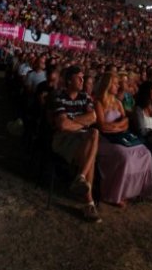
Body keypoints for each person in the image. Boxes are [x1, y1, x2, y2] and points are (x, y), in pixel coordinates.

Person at [94, 71, 152, 208]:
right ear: (107, 85)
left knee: (145, 153)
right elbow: (102, 126)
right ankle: (115, 194)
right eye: (115, 84)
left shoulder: (118, 103)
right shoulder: (99, 103)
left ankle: (137, 190)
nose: (118, 87)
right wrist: (118, 126)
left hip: (120, 136)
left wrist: (116, 126)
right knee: (125, 156)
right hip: (104, 140)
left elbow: (126, 121)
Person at [50, 66, 101, 223]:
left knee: (94, 133)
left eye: (83, 78)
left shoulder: (85, 97)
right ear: (69, 80)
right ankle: (88, 202)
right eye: (79, 77)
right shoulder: (58, 96)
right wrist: (80, 121)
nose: (82, 81)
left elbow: (93, 117)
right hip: (63, 139)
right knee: (90, 157)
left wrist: (71, 121)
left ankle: (81, 179)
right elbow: (63, 126)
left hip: (81, 137)